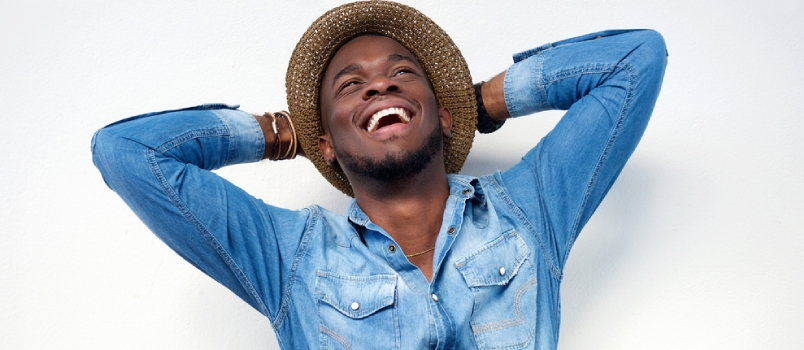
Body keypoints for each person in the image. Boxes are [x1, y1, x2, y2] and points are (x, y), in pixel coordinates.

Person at [91, 1, 667, 349]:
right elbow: (126, 152)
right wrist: (278, 132)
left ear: (440, 115)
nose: (379, 85)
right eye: (350, 86)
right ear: (328, 146)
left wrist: (481, 103)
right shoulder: (290, 256)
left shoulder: (529, 211)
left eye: (401, 74)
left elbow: (636, 59)